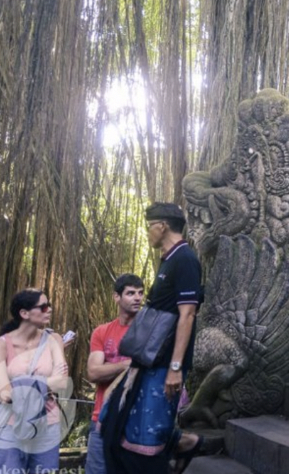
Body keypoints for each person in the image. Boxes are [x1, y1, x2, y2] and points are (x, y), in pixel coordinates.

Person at [102, 203, 203, 474]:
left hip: (165, 363)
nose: (147, 233)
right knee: (121, 424)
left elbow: (187, 315)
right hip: (148, 359)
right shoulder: (168, 259)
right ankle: (184, 442)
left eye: (149, 227)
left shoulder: (185, 260)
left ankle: (182, 446)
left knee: (148, 435)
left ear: (162, 226)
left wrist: (175, 367)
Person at [0, 289, 70, 474]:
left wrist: (19, 384)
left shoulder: (54, 340)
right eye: (43, 307)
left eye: (49, 305)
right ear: (24, 313)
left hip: (47, 424)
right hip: (8, 424)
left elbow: (62, 383)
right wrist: (45, 383)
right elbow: (4, 394)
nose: (49, 310)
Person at [85, 274, 144, 474]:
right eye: (131, 293)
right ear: (116, 297)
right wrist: (128, 364)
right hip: (102, 417)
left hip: (137, 419)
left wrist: (109, 367)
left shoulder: (148, 331)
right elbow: (94, 372)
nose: (137, 297)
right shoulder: (102, 332)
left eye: (140, 293)